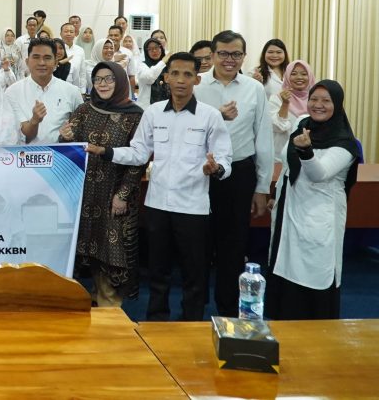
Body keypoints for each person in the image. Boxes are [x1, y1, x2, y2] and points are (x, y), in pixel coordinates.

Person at [85, 52, 232, 321]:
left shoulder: (210, 116)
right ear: (166, 78)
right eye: (175, 73)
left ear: (197, 79)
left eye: (187, 74)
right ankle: (156, 323)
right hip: (157, 205)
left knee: (194, 275)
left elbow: (224, 159)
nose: (180, 80)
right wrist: (105, 151)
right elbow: (138, 153)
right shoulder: (153, 113)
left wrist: (217, 169)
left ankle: (191, 325)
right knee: (157, 272)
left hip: (193, 208)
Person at [194, 30, 272, 318]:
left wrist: (262, 187)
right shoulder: (197, 86)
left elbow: (263, 138)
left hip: (239, 173)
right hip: (201, 172)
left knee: (233, 244)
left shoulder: (254, 89)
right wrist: (217, 114)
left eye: (236, 54)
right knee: (198, 243)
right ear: (213, 55)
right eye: (224, 53)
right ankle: (194, 308)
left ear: (244, 56)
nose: (230, 59)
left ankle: (228, 310)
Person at [268, 80, 360, 320]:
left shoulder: (345, 143)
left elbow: (319, 174)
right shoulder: (302, 123)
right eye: (314, 99)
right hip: (290, 209)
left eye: (326, 101)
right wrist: (276, 195)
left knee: (314, 272)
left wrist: (307, 152)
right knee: (286, 267)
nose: (318, 105)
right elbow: (287, 164)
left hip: (319, 215)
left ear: (337, 104)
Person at [59, 62, 144, 307]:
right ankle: (93, 305)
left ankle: (110, 311)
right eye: (98, 79)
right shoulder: (84, 110)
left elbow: (138, 159)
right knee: (87, 251)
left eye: (109, 79)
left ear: (120, 81)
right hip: (85, 195)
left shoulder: (135, 115)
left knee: (111, 252)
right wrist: (64, 137)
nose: (103, 84)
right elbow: (71, 147)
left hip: (114, 195)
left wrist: (123, 194)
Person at [5, 39, 83, 145]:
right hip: (23, 153)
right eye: (36, 57)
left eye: (47, 58)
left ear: (56, 63)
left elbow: (81, 129)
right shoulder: (12, 92)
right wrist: (34, 121)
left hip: (61, 154)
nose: (41, 63)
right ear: (27, 62)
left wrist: (70, 134)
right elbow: (18, 135)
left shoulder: (72, 92)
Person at [268, 60, 316, 163]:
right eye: (293, 74)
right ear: (287, 77)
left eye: (304, 74)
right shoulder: (277, 98)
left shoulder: (315, 99)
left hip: (311, 155)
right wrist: (285, 104)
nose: (299, 77)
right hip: (282, 158)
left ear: (310, 77)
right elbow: (278, 127)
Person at [136, 38, 168, 108]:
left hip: (166, 105)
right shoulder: (142, 65)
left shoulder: (168, 65)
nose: (154, 51)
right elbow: (149, 78)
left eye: (156, 47)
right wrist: (162, 62)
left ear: (161, 48)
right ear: (146, 51)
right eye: (150, 49)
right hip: (147, 107)